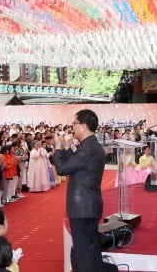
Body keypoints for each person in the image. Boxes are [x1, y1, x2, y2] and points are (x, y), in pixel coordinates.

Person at [54, 109, 106, 272]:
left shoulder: (87, 148)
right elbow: (73, 163)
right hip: (89, 205)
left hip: (82, 208)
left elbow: (62, 168)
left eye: (74, 124)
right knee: (92, 251)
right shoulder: (92, 146)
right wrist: (67, 147)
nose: (72, 127)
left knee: (83, 255)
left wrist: (57, 147)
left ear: (83, 125)